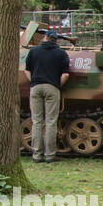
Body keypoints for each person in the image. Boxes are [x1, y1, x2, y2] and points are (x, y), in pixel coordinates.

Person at [23, 28, 70, 162]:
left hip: (36, 87)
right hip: (52, 87)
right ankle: (49, 155)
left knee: (37, 121)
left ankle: (36, 155)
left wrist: (33, 81)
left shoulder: (33, 51)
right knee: (51, 122)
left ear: (45, 38)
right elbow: (66, 74)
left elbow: (26, 70)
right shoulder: (61, 53)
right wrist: (57, 85)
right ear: (56, 40)